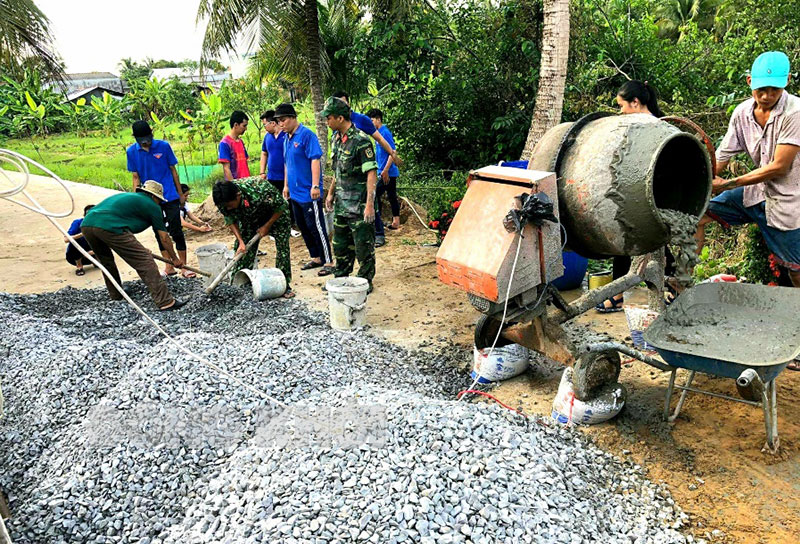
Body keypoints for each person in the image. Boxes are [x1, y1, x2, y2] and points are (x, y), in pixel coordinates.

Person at [694, 51, 800, 368]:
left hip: (789, 199)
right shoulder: (742, 113)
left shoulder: (795, 112)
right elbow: (722, 154)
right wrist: (704, 179)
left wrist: (727, 184)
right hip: (755, 193)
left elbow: (780, 168)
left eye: (774, 89)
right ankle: (683, 276)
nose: (767, 96)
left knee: (796, 270)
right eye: (761, 89)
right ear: (749, 82)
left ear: (787, 84)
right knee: (700, 209)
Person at [596, 80, 668, 312]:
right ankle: (671, 286)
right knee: (642, 243)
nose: (621, 111)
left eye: (622, 106)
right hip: (641, 195)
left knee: (631, 242)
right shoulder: (660, 124)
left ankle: (619, 294)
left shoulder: (644, 126)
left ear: (635, 103)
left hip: (647, 196)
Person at [80, 181, 186, 311]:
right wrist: (175, 259)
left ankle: (116, 294)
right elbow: (164, 237)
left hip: (87, 224)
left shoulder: (132, 199)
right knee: (146, 262)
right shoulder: (153, 205)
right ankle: (165, 302)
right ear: (154, 196)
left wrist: (138, 248)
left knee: (106, 262)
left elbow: (124, 225)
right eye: (159, 200)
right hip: (109, 226)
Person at [322, 97, 378, 291]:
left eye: (328, 117)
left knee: (363, 246)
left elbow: (372, 173)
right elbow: (338, 170)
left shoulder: (361, 141)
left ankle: (364, 281)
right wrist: (330, 194)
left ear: (339, 118)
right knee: (340, 244)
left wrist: (370, 204)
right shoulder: (336, 139)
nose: (326, 121)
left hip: (360, 204)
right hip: (342, 204)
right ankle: (341, 277)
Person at [273, 102, 334, 276]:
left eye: (283, 120)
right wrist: (286, 185)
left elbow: (315, 160)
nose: (281, 124)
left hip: (309, 191)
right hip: (295, 192)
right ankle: (316, 257)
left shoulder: (307, 135)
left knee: (316, 226)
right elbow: (287, 163)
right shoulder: (286, 138)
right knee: (302, 225)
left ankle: (328, 261)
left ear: (293, 118)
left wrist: (316, 185)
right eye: (279, 121)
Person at [212, 178, 294, 298]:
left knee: (283, 249)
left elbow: (282, 205)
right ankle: (237, 286)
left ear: (238, 195)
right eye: (225, 206)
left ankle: (284, 285)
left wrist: (266, 226)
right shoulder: (223, 199)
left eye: (230, 205)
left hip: (275, 216)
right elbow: (230, 219)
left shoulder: (260, 189)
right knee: (243, 252)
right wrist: (240, 241)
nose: (228, 208)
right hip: (249, 220)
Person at [126, 120, 187, 277]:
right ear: (136, 138)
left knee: (176, 229)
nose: (145, 141)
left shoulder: (163, 146)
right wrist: (136, 200)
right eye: (141, 139)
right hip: (149, 198)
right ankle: (169, 266)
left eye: (147, 137)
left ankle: (184, 266)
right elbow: (135, 177)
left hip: (169, 195)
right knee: (159, 231)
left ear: (151, 134)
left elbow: (173, 171)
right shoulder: (131, 152)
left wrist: (180, 194)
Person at [332, 92, 402, 167]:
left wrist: (393, 154)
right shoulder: (336, 122)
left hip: (362, 165)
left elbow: (380, 139)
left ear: (348, 104)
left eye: (343, 103)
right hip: (344, 167)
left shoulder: (362, 120)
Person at [367, 108, 401, 247]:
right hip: (383, 170)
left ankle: (378, 226)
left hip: (387, 172)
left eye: (372, 120)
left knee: (374, 197)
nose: (371, 123)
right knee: (391, 196)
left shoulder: (384, 132)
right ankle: (395, 221)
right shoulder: (377, 134)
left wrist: (385, 170)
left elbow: (392, 152)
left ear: (378, 119)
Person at [219, 111, 251, 181]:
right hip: (235, 185)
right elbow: (226, 168)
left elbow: (245, 164)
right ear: (236, 125)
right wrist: (234, 187)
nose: (246, 129)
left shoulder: (240, 142)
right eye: (244, 126)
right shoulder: (225, 143)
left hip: (245, 182)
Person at [65, 204, 95, 276]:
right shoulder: (77, 223)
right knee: (76, 242)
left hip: (92, 253)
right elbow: (66, 239)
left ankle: (96, 262)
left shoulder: (99, 224)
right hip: (75, 255)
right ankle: (79, 266)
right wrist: (83, 233)